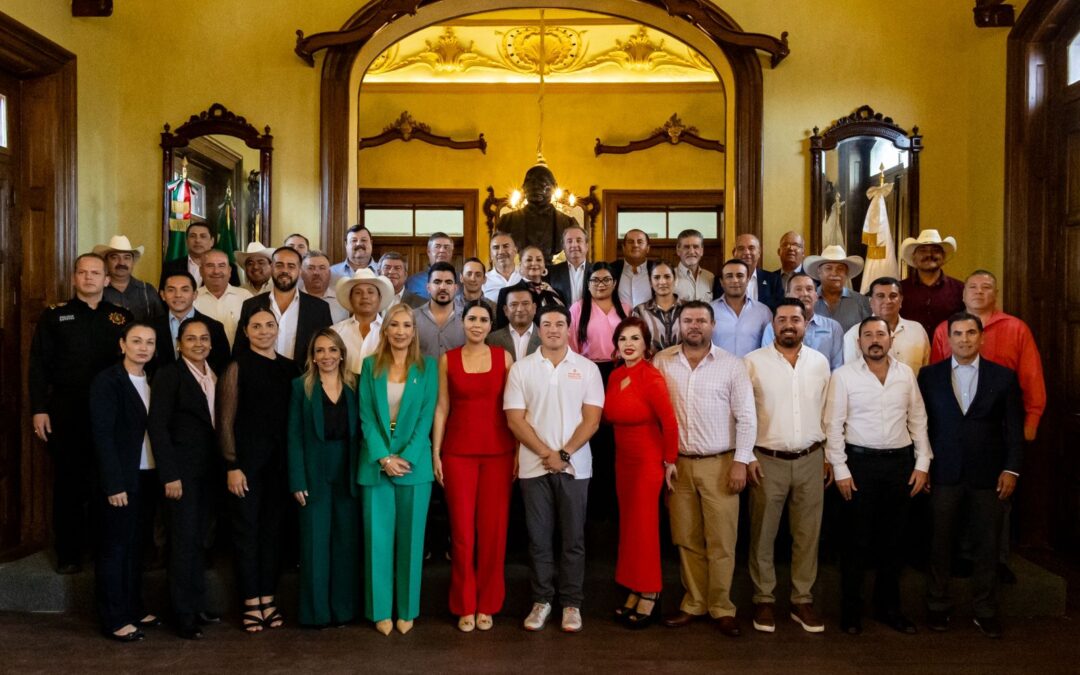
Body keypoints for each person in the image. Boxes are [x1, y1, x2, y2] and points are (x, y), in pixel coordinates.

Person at [930, 269, 1045, 582]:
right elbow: (935, 379)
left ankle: (998, 561)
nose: (979, 292)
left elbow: (1031, 377)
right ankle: (963, 558)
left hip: (1001, 425)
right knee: (956, 497)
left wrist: (1032, 419)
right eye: (973, 287)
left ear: (996, 293)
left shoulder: (1016, 328)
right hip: (956, 430)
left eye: (986, 287)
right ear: (963, 294)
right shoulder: (945, 329)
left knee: (996, 498)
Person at [654, 301, 756, 638]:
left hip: (720, 463)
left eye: (701, 320)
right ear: (679, 325)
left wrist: (741, 461)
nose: (694, 326)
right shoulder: (662, 362)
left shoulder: (731, 365)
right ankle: (694, 602)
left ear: (713, 325)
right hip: (678, 465)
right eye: (688, 320)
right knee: (686, 538)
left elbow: (746, 417)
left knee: (722, 541)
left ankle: (722, 607)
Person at [918, 312, 1023, 639]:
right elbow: (919, 426)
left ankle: (986, 610)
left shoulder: (1003, 377)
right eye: (958, 334)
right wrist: (923, 467)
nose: (964, 339)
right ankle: (937, 605)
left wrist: (1011, 468)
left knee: (987, 545)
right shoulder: (928, 376)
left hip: (988, 474)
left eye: (970, 333)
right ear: (948, 339)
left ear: (981, 337)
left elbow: (1014, 429)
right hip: (943, 471)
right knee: (939, 543)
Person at [825, 316, 932, 636]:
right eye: (868, 335)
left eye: (880, 334)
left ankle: (890, 609)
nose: (874, 340)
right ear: (858, 342)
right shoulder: (843, 376)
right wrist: (840, 469)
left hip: (900, 465)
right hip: (859, 465)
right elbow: (833, 426)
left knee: (894, 541)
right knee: (856, 541)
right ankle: (851, 611)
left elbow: (918, 419)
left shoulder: (906, 374)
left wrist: (922, 464)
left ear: (890, 340)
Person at [29, 253, 132, 573]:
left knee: (106, 479)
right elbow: (38, 365)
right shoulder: (55, 316)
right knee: (69, 482)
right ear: (74, 278)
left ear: (106, 280)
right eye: (83, 272)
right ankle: (69, 553)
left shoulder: (121, 317)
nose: (89, 278)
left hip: (111, 411)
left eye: (95, 273)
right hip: (67, 409)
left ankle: (104, 550)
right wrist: (39, 409)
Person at [504, 304, 604, 633]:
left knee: (573, 539)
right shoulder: (522, 368)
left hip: (575, 468)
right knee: (539, 539)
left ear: (568, 328)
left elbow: (592, 420)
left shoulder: (588, 369)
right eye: (546, 324)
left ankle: (571, 603)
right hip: (534, 467)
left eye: (560, 324)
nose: (553, 329)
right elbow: (515, 420)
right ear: (539, 328)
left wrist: (564, 453)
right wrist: (546, 453)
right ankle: (542, 600)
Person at [744, 299, 831, 634]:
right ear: (773, 325)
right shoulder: (752, 362)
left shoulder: (820, 363)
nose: (789, 325)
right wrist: (747, 456)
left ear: (805, 324)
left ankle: (801, 600)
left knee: (808, 535)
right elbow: (743, 414)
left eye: (795, 319)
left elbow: (827, 412)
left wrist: (828, 457)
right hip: (767, 460)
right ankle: (764, 598)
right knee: (763, 534)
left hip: (811, 458)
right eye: (782, 319)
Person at [432, 301, 516, 632]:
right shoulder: (447, 359)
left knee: (494, 533)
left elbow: (514, 408)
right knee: (463, 533)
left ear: (491, 325)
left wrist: (518, 451)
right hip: (457, 454)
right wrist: (436, 452)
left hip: (499, 453)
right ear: (463, 323)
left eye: (483, 319)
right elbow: (442, 407)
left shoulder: (504, 358)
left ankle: (489, 603)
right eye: (471, 318)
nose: (477, 324)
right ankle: (464, 603)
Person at [357, 304, 438, 635]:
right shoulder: (369, 365)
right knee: (377, 541)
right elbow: (365, 416)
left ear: (414, 332)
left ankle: (407, 609)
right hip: (376, 465)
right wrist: (384, 458)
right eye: (395, 325)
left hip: (414, 466)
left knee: (411, 542)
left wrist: (406, 457)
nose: (401, 331)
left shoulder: (428, 367)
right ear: (385, 330)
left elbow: (426, 417)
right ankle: (380, 611)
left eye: (407, 325)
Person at [217, 308, 295, 632]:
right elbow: (225, 421)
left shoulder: (290, 368)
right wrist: (232, 465)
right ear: (246, 332)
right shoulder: (237, 366)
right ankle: (250, 601)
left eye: (269, 325)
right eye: (257, 326)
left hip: (280, 466)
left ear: (278, 329)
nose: (264, 331)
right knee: (246, 532)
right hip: (246, 466)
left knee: (272, 534)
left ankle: (268, 598)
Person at [146, 317, 220, 639]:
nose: (198, 344)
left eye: (203, 338)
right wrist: (170, 474)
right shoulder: (169, 375)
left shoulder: (214, 374)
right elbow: (158, 427)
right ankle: (182, 614)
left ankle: (197, 605)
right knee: (182, 543)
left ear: (211, 344)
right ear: (179, 344)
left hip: (209, 472)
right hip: (182, 474)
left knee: (200, 540)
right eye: (191, 339)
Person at [602, 317, 678, 628]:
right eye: (623, 339)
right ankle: (633, 586)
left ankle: (650, 590)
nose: (628, 344)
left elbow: (669, 422)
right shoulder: (615, 375)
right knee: (630, 526)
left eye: (635, 338)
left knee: (644, 527)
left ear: (646, 344)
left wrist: (670, 461)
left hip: (648, 460)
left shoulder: (651, 376)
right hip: (623, 460)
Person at [89, 322, 160, 642]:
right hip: (121, 479)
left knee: (137, 546)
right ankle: (114, 618)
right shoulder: (108, 381)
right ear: (122, 345)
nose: (143, 348)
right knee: (115, 548)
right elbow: (102, 436)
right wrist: (113, 484)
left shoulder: (153, 379)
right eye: (136, 341)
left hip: (148, 475)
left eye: (149, 342)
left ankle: (133, 607)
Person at [287, 329, 361, 629]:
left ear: (341, 353)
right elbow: (293, 435)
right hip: (313, 470)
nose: (326, 356)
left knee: (345, 543)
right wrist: (297, 480)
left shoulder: (356, 383)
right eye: (320, 350)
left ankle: (343, 611)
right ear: (313, 357)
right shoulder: (300, 387)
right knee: (314, 543)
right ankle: (316, 613)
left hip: (348, 470)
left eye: (332, 350)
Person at [234, 246, 333, 361]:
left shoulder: (320, 308)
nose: (285, 270)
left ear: (300, 271)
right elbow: (239, 350)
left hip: (302, 372)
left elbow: (326, 350)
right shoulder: (250, 305)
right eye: (279, 265)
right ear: (271, 268)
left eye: (291, 266)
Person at [843, 277, 930, 373]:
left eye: (893, 296)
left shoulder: (917, 330)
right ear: (871, 301)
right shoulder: (855, 334)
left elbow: (926, 372)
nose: (888, 301)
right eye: (880, 296)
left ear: (901, 300)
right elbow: (851, 374)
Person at [761, 272, 844, 370]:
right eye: (798, 289)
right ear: (787, 295)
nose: (805, 294)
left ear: (816, 296)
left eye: (809, 289)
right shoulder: (773, 327)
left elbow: (837, 368)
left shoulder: (833, 327)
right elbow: (768, 363)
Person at [152, 272, 230, 376]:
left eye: (185, 290)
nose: (178, 295)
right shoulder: (150, 327)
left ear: (194, 295)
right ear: (162, 295)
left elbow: (223, 367)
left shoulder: (214, 327)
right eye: (171, 290)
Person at [495, 163, 578, 260]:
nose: (535, 187)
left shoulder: (568, 224)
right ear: (523, 187)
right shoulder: (507, 222)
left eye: (542, 182)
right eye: (530, 182)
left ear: (554, 187)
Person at [898, 229, 964, 337]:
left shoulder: (960, 289)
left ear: (943, 257)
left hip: (948, 347)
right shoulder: (899, 290)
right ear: (914, 257)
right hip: (909, 347)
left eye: (935, 250)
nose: (929, 254)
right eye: (923, 250)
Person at [331, 269, 395, 375]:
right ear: (350, 299)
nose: (365, 296)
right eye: (358, 292)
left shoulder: (392, 331)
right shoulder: (335, 332)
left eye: (370, 292)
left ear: (379, 298)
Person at [711, 258, 772, 357]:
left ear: (748, 280)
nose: (735, 280)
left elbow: (770, 345)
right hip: (718, 366)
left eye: (740, 276)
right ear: (721, 282)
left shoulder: (763, 312)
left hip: (752, 366)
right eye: (729, 276)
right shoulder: (710, 311)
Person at [95, 235, 164, 323]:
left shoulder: (147, 291)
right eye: (114, 257)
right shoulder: (96, 290)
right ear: (106, 262)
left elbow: (161, 324)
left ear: (133, 262)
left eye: (127, 257)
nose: (121, 263)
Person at [494, 244, 565, 328]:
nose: (534, 263)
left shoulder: (555, 293)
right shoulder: (507, 293)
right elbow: (502, 328)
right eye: (529, 260)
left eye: (538, 260)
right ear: (520, 265)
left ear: (544, 265)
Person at [803, 245, 871, 332]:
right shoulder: (807, 301)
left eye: (840, 268)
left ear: (846, 273)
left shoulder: (862, 302)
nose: (834, 273)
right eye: (828, 268)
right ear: (819, 272)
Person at [193, 249, 253, 348]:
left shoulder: (245, 297)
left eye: (221, 266)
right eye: (210, 266)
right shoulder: (192, 298)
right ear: (201, 271)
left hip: (239, 356)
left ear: (229, 271)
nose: (216, 271)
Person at [159, 221, 240, 288]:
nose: (197, 240)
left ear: (212, 241)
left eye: (203, 236)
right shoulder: (170, 267)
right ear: (186, 241)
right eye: (193, 236)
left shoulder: (229, 268)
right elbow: (163, 296)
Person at [714, 233, 783, 310]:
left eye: (751, 248)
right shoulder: (721, 280)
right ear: (734, 253)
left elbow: (778, 310)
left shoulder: (773, 280)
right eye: (741, 248)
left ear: (759, 253)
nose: (746, 252)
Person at [415, 261, 466, 359]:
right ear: (428, 288)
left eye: (448, 282)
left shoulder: (467, 318)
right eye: (437, 282)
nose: (442, 287)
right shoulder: (413, 317)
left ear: (455, 288)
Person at [633, 261, 683, 352]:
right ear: (650, 282)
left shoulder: (688, 308)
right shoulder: (640, 311)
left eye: (667, 277)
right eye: (656, 277)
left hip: (683, 360)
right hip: (651, 360)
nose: (662, 282)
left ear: (675, 279)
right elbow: (635, 343)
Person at [487, 282, 541, 362]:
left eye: (525, 303)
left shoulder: (546, 337)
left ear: (534, 308)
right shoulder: (492, 340)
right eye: (514, 304)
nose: (520, 309)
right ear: (505, 310)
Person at [611, 229, 656, 310]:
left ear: (648, 248)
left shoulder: (657, 269)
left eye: (640, 242)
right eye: (630, 242)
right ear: (623, 248)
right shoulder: (611, 270)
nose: (635, 245)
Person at [547, 225, 591, 306]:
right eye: (569, 241)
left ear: (587, 246)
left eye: (579, 240)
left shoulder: (596, 271)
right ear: (563, 247)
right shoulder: (552, 273)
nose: (574, 245)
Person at [302, 250, 349, 323]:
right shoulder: (293, 300)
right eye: (310, 268)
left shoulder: (342, 301)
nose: (316, 273)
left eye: (322, 268)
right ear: (301, 273)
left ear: (329, 273)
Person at [404, 232, 455, 299]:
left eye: (446, 247)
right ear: (428, 251)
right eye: (437, 246)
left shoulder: (462, 281)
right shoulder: (412, 281)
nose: (442, 250)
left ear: (452, 252)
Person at [673, 228, 714, 302]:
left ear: (701, 251)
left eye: (696, 247)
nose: (691, 252)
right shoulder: (670, 277)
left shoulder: (710, 277)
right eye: (686, 247)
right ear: (678, 250)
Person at [482, 232, 523, 301]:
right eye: (496, 247)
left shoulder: (525, 276)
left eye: (506, 246)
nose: (501, 252)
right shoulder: (483, 281)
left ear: (515, 251)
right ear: (491, 254)